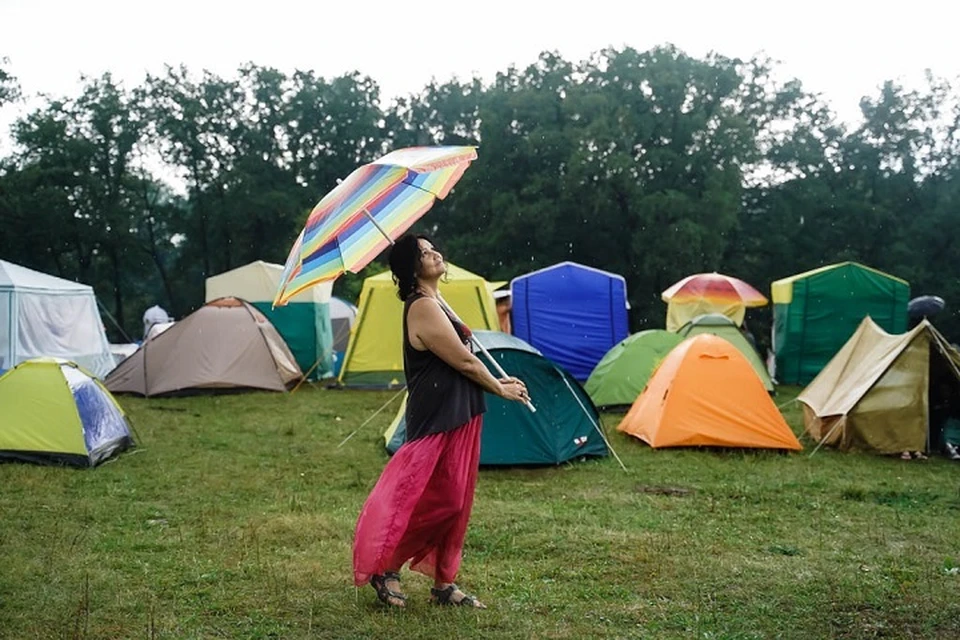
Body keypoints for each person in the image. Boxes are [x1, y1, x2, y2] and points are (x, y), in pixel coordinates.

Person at [352, 234, 529, 609]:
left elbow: (465, 355)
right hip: (436, 417)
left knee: (458, 501)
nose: (434, 252)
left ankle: (443, 584)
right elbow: (462, 361)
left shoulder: (437, 301)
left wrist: (498, 381)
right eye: (423, 252)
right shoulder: (421, 307)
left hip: (463, 410)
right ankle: (386, 566)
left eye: (433, 247)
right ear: (411, 267)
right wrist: (499, 388)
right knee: (438, 499)